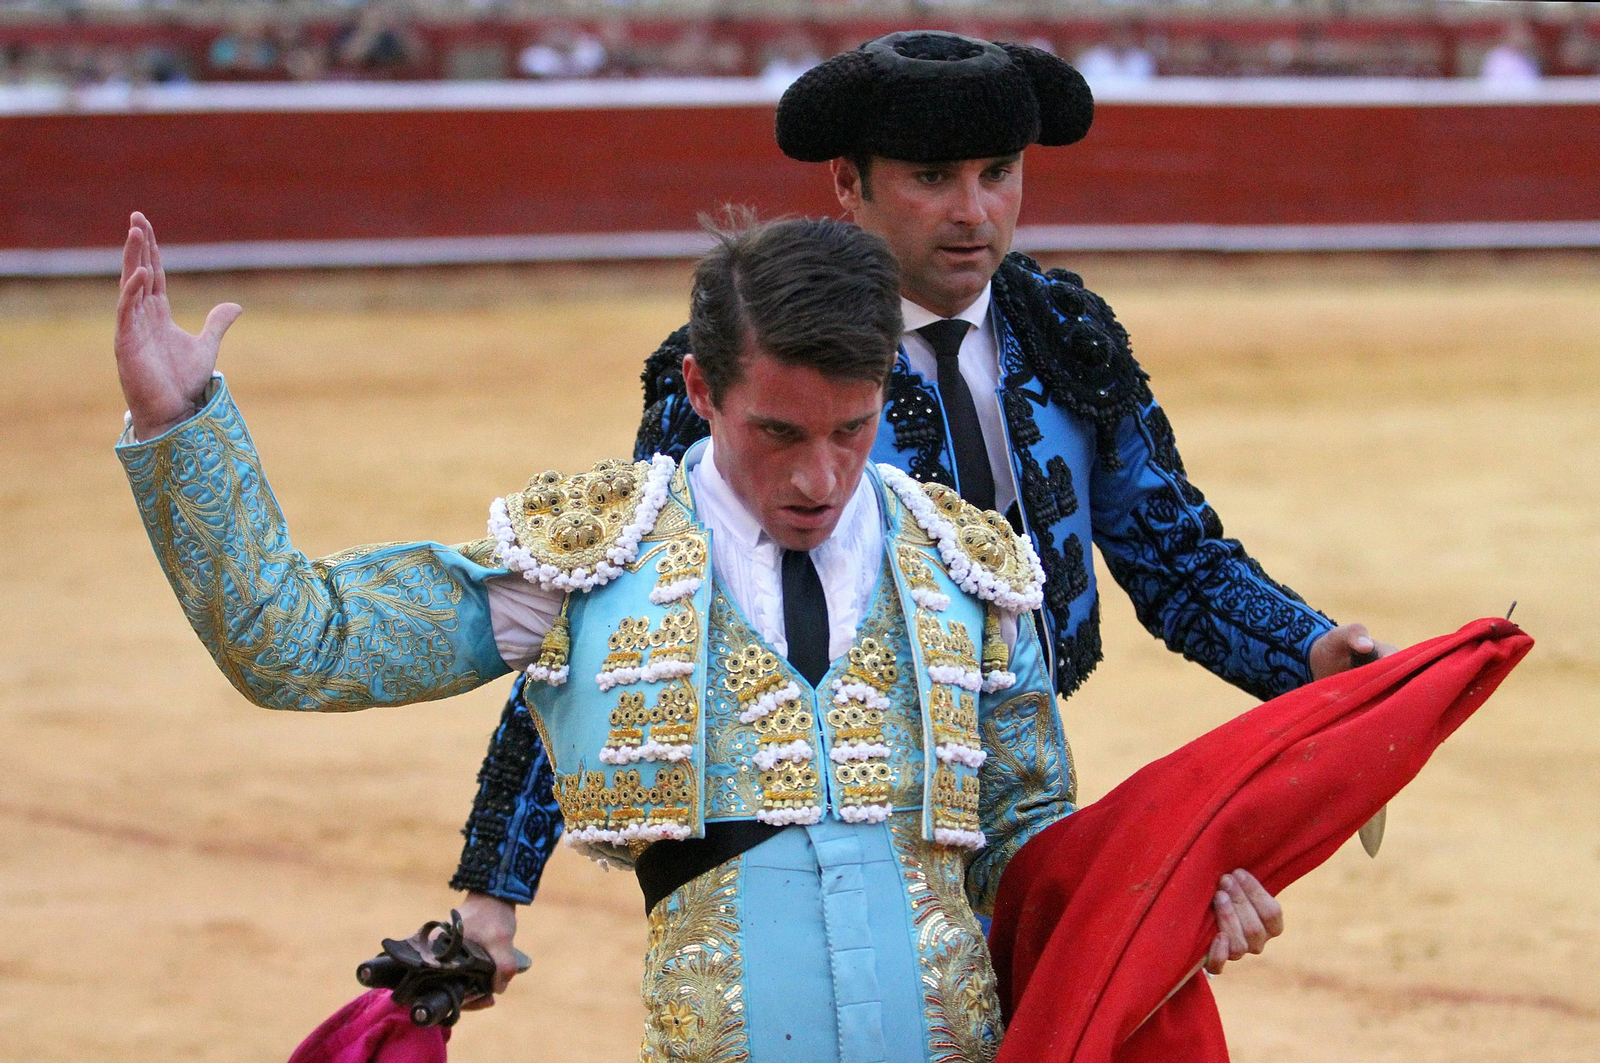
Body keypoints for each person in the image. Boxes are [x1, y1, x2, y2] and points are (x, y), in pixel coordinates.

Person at [454, 29, 1385, 990]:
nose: (973, 212)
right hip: (820, 820)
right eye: (932, 178)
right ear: (847, 184)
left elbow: (1176, 557)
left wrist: (1309, 653)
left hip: (1024, 801)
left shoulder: (1062, 332)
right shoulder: (755, 359)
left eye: (998, 173)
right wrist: (495, 883)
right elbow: (612, 618)